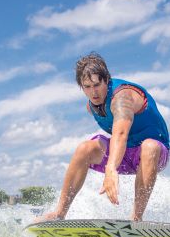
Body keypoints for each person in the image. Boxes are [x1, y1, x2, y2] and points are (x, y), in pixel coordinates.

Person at [38, 52, 169, 222]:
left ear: (106, 80)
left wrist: (110, 169)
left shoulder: (123, 98)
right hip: (125, 154)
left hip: (154, 155)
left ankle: (136, 219)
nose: (93, 92)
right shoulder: (91, 106)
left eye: (97, 85)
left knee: (150, 146)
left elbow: (120, 134)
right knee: (85, 148)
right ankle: (59, 214)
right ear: (81, 87)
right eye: (87, 87)